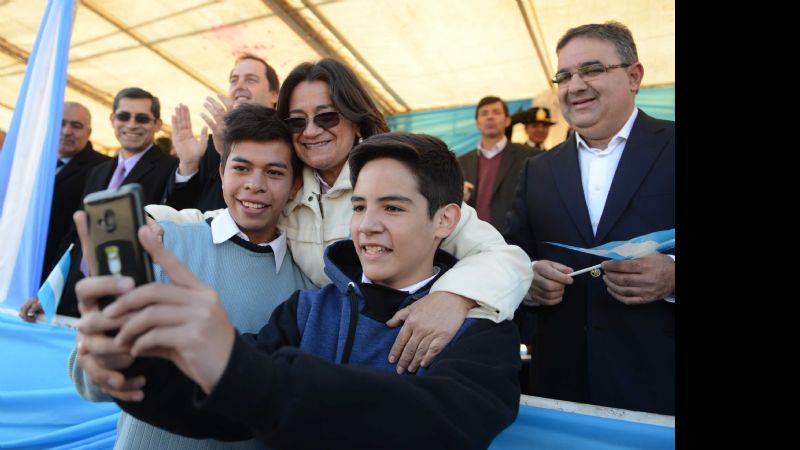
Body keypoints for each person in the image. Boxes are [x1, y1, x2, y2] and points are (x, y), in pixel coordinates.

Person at [73, 132, 521, 449]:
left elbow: (438, 425)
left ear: (445, 220)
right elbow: (222, 407)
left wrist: (241, 371)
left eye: (393, 208)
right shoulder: (308, 309)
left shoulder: (481, 328)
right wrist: (131, 366)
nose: (368, 225)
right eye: (360, 206)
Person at [146, 58, 532, 373]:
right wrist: (148, 219)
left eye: (326, 117)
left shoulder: (394, 179)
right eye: (297, 121)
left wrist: (454, 298)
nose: (311, 131)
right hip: (328, 349)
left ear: (355, 118)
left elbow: (505, 257)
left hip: (408, 356)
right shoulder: (290, 188)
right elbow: (220, 216)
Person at [70, 104, 314, 448]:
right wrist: (100, 355)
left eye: (274, 172)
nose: (254, 185)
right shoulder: (160, 243)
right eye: (241, 168)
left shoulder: (306, 289)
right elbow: (89, 377)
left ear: (295, 185)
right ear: (221, 171)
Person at [504, 21, 675, 415]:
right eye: (564, 75)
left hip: (661, 386)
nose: (574, 85)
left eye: (592, 69)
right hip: (561, 389)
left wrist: (672, 274)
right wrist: (528, 278)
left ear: (634, 76)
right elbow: (511, 252)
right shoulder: (537, 170)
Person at [18, 102, 111, 320]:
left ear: (89, 133)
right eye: (61, 123)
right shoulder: (32, 161)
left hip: (58, 279)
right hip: (20, 270)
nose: (67, 131)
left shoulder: (102, 169)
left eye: (76, 126)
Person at [166, 54, 281, 211]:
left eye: (250, 79)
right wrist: (188, 164)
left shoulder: (284, 140)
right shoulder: (211, 142)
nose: (239, 86)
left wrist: (227, 151)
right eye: (234, 80)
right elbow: (176, 210)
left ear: (275, 94)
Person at [458, 96, 539, 234]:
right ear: (477, 123)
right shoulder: (460, 162)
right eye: (484, 113)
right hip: (472, 240)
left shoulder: (530, 156)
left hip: (514, 242)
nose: (490, 117)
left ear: (507, 120)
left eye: (496, 112)